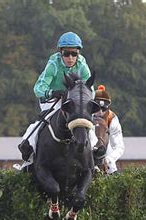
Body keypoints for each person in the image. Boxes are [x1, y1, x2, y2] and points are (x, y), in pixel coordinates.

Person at [18, 31, 96, 168]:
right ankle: (28, 156)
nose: (70, 58)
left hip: (73, 102)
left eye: (74, 54)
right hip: (52, 101)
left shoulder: (83, 65)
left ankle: (94, 156)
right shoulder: (53, 64)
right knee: (40, 124)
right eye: (66, 54)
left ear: (78, 53)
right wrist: (52, 92)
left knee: (87, 123)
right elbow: (38, 89)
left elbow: (91, 91)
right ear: (61, 52)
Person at [93, 85, 124, 174]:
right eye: (97, 108)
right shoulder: (85, 116)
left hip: (106, 160)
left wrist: (108, 159)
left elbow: (119, 147)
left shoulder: (112, 119)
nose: (100, 112)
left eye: (104, 108)